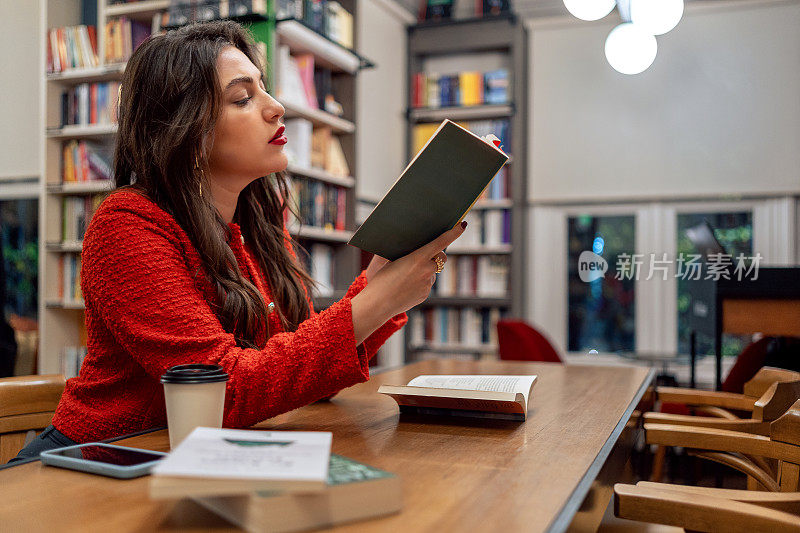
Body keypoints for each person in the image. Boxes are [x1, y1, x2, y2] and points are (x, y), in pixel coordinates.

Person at [11, 21, 463, 462]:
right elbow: (224, 392)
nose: (276, 107)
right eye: (243, 98)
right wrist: (374, 303)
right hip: (99, 461)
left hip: (193, 457)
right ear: (184, 128)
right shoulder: (127, 225)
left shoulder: (259, 223)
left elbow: (300, 373)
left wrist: (379, 290)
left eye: (264, 88)